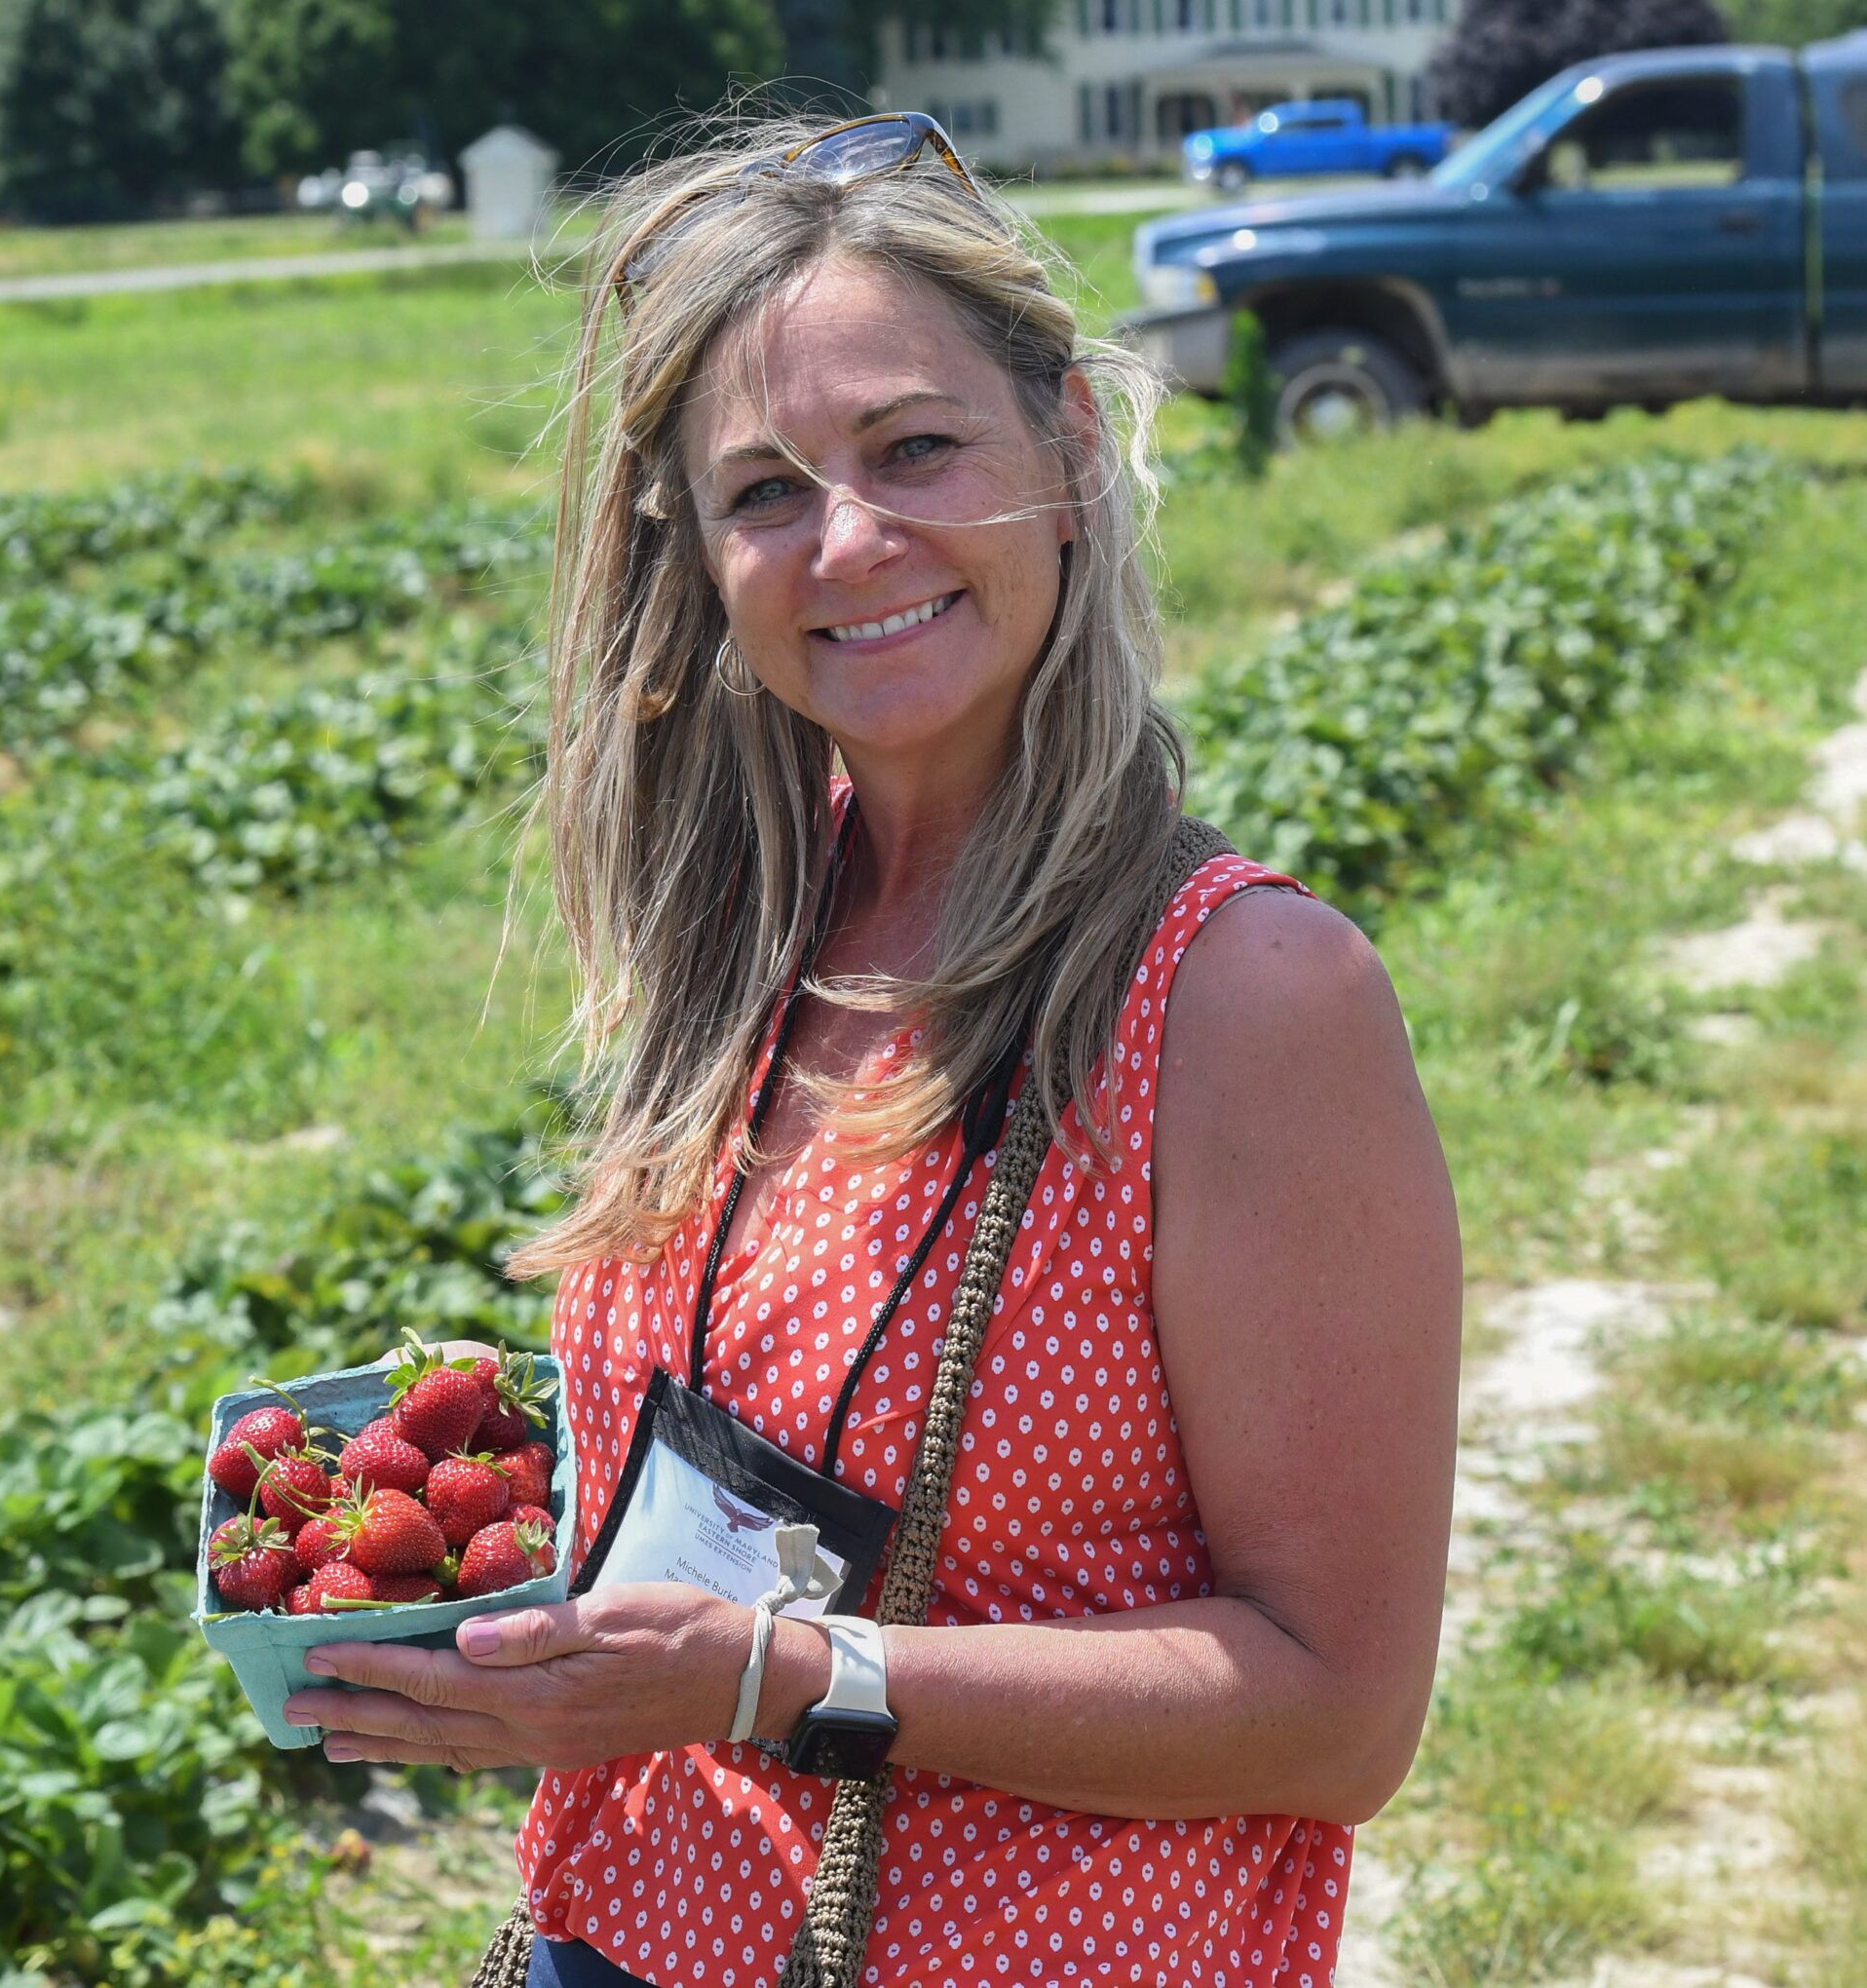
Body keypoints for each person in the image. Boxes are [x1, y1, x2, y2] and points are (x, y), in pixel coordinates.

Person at [282, 111, 1463, 1988]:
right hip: (625, 1934)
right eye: (764, 490)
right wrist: (477, 1566)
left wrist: (773, 1675)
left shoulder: (1243, 999)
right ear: (699, 558)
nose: (847, 540)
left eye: (917, 448)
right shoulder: (749, 932)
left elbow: (1336, 1713)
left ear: (1068, 453)